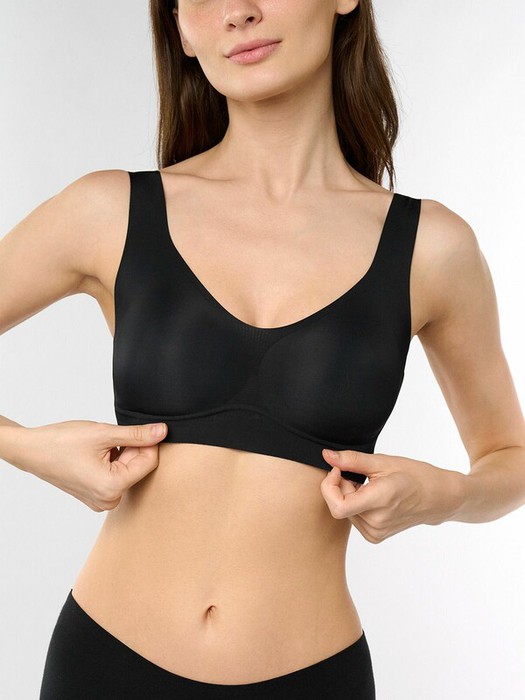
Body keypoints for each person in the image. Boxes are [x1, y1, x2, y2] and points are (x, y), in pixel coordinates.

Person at [1, 1, 524, 698]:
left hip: (311, 679)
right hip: (104, 665)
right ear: (180, 28)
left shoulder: (431, 249)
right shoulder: (108, 211)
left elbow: (510, 460)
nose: (238, 12)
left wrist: (444, 494)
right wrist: (27, 449)